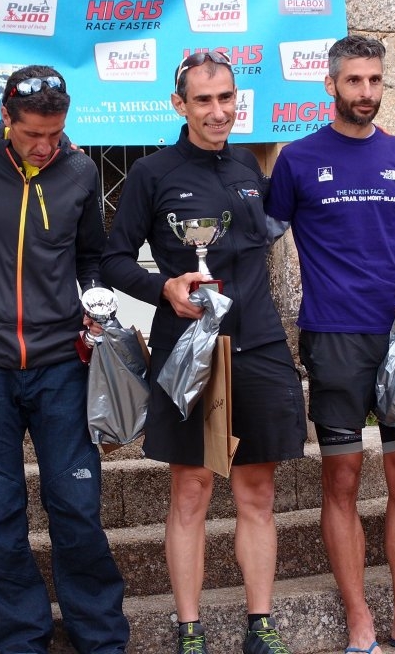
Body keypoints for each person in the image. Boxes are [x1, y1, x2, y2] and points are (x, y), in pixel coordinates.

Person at [100, 50, 307, 654]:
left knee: (257, 492)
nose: (218, 111)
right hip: (187, 347)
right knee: (191, 489)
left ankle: (260, 625)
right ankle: (189, 629)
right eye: (204, 100)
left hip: (258, 343)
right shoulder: (152, 173)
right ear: (179, 105)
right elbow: (114, 260)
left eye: (226, 98)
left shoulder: (249, 166)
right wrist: (163, 288)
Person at [0, 66, 129, 654]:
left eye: (55, 134)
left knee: (76, 505)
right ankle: (20, 639)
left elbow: (90, 255)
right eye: (33, 135)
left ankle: (100, 636)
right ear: (5, 117)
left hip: (60, 363)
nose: (45, 147)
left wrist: (95, 301)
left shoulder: (80, 170)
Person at [265, 35, 395, 654]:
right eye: (354, 81)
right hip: (333, 336)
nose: (366, 92)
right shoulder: (297, 159)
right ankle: (359, 619)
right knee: (341, 479)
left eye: (374, 80)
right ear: (331, 85)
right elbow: (263, 236)